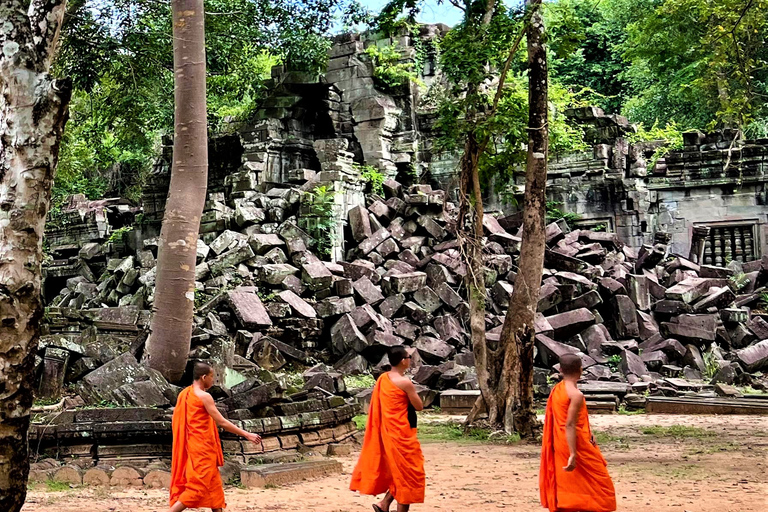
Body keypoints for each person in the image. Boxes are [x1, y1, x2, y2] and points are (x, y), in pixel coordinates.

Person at [170, 362, 262, 512]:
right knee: (196, 489)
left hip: (195, 447)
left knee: (213, 489)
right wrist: (247, 434)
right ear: (204, 377)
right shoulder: (204, 396)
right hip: (202, 450)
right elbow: (221, 422)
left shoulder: (184, 394)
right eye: (212, 377)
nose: (214, 381)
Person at [350, 345, 426, 512]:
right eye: (408, 358)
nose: (410, 360)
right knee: (408, 472)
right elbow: (419, 406)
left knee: (399, 472)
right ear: (402, 361)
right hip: (402, 433)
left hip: (388, 431)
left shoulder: (383, 378)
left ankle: (384, 504)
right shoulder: (405, 382)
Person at [539, 354, 617, 512]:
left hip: (559, 441)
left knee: (567, 478)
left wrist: (590, 432)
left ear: (560, 370)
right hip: (575, 442)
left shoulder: (557, 389)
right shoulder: (576, 395)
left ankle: (568, 504)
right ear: (581, 370)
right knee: (602, 483)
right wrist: (573, 453)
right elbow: (570, 424)